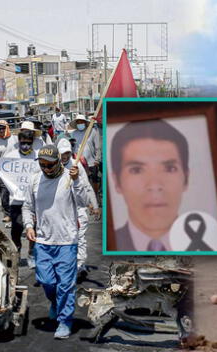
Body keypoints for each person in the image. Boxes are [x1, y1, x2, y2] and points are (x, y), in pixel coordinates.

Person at [22, 144, 88, 339]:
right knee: (46, 281)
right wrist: (28, 226)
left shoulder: (70, 177)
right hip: (43, 240)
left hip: (67, 240)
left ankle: (65, 321)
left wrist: (76, 181)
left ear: (58, 162)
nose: (46, 169)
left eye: (49, 165)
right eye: (42, 165)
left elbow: (84, 201)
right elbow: (27, 207)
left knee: (65, 285)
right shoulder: (35, 180)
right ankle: (56, 302)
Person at [111, 119, 189, 251]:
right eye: (137, 170)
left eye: (169, 168)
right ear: (117, 182)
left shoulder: (207, 243)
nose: (154, 185)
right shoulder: (112, 244)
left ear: (186, 178)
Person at [57, 138, 99, 275]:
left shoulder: (77, 166)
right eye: (62, 153)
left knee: (80, 238)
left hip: (79, 207)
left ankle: (79, 265)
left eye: (67, 153)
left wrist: (94, 205)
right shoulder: (53, 167)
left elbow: (86, 186)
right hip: (62, 210)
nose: (65, 156)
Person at [3, 130, 40, 262]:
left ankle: (32, 252)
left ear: (33, 143)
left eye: (28, 143)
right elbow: (3, 175)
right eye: (23, 143)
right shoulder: (11, 156)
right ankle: (17, 250)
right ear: (18, 142)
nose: (25, 146)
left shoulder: (37, 156)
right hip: (16, 200)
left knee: (34, 228)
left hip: (33, 201)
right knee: (17, 227)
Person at [0, 120, 19, 223]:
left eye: (3, 128)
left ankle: (17, 213)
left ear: (7, 128)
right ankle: (7, 213)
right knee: (4, 193)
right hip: (2, 171)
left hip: (14, 170)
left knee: (15, 192)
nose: (1, 130)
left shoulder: (15, 139)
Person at [69, 115, 101, 198]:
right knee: (82, 180)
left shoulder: (92, 131)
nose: (80, 124)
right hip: (79, 161)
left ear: (85, 123)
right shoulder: (73, 133)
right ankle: (85, 198)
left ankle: (96, 196)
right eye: (78, 122)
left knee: (94, 179)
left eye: (81, 122)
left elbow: (97, 146)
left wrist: (97, 159)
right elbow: (73, 147)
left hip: (91, 161)